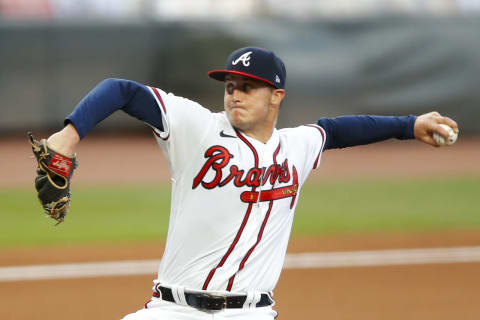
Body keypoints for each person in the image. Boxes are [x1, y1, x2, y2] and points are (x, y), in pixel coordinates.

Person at [44, 47, 458, 320]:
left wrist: (410, 125)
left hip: (251, 314)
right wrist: (65, 139)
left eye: (247, 87)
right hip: (172, 310)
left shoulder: (295, 147)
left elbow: (338, 130)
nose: (234, 95)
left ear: (277, 95)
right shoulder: (198, 129)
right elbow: (120, 90)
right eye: (229, 87)